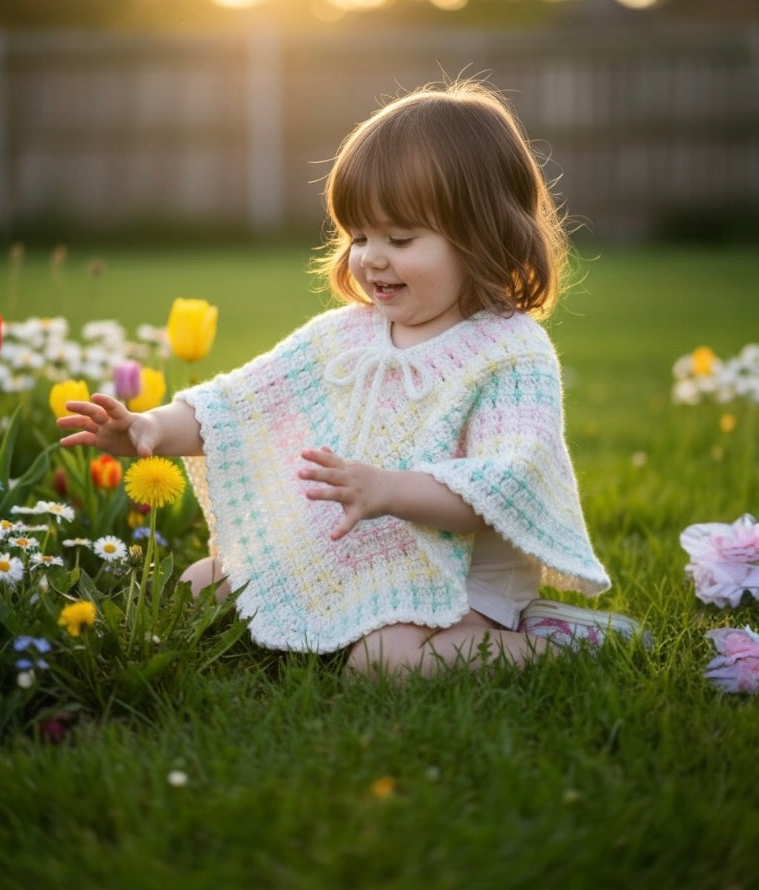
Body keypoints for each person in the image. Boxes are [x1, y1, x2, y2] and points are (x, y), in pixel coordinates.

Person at [58, 79, 647, 676]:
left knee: (382, 661)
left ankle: (563, 644)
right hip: (356, 551)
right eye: (360, 236)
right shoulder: (344, 337)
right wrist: (151, 427)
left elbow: (503, 484)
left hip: (462, 581)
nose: (371, 257)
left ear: (483, 235)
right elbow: (238, 406)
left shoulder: (509, 352)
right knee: (198, 585)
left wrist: (388, 491)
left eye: (400, 238)